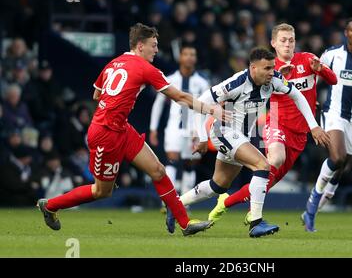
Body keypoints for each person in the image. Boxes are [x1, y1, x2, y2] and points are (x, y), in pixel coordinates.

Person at [36, 23, 231, 236]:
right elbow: (180, 97)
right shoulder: (145, 68)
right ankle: (51, 206)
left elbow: (96, 95)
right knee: (102, 191)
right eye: (153, 45)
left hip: (121, 128)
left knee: (158, 171)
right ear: (140, 46)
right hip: (105, 133)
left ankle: (186, 224)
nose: (157, 50)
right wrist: (212, 110)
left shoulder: (114, 63)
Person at [166, 47, 330, 238]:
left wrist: (313, 126)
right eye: (266, 68)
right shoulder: (236, 83)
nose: (271, 72)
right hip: (224, 132)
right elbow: (197, 102)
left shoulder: (275, 79)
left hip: (241, 137)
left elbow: (297, 96)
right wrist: (202, 137)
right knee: (263, 165)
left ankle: (175, 205)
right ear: (253, 68)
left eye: (272, 67)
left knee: (218, 186)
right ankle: (256, 222)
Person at [207, 23, 337, 224]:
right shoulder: (268, 68)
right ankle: (256, 218)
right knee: (274, 159)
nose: (288, 44)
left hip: (300, 133)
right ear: (273, 43)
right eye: (283, 40)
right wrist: (279, 77)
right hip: (277, 121)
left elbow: (333, 80)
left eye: (291, 40)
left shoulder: (308, 59)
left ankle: (225, 204)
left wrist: (321, 70)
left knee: (268, 181)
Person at [302, 17, 352, 232]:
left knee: (341, 169)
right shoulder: (331, 54)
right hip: (333, 113)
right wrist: (311, 98)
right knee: (336, 158)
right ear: (346, 33)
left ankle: (314, 210)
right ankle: (312, 204)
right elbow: (314, 76)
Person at [149, 43, 209, 200]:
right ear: (180, 57)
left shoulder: (202, 83)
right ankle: (169, 201)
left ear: (195, 59)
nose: (189, 57)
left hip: (194, 128)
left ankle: (184, 202)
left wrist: (203, 131)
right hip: (174, 127)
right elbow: (158, 104)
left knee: (190, 165)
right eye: (186, 54)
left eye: (192, 54)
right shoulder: (170, 80)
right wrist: (153, 128)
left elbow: (208, 108)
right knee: (172, 161)